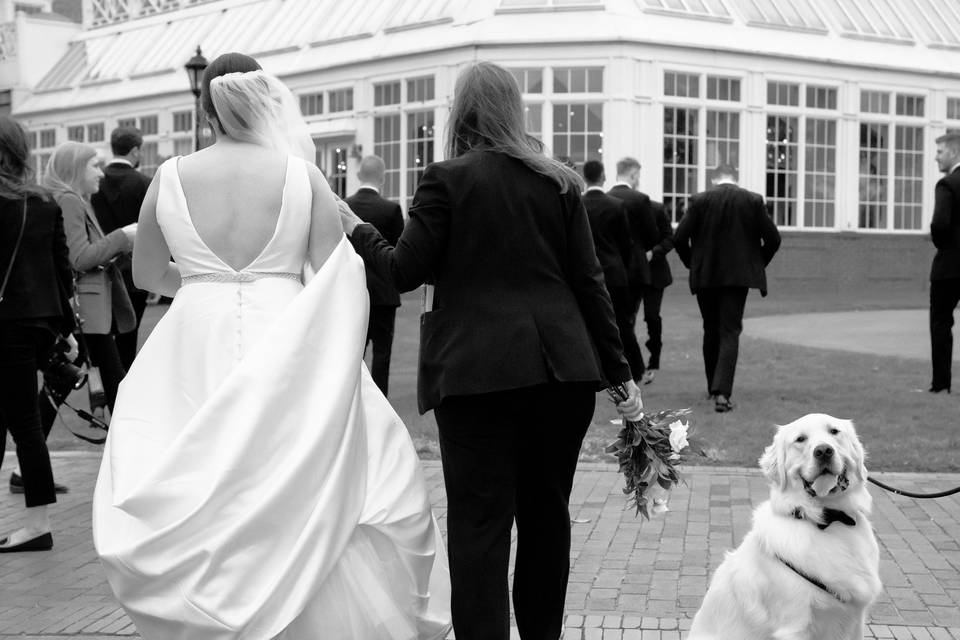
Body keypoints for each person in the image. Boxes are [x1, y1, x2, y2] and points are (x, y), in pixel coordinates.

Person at [91, 52, 450, 639]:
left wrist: (206, 283)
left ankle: (211, 610)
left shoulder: (170, 177)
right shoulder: (301, 176)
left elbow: (149, 275)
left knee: (194, 474)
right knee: (302, 468)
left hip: (193, 340)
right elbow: (331, 271)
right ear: (264, 104)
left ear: (206, 109)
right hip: (287, 330)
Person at [343, 61, 644, 640]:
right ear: (515, 108)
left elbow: (404, 270)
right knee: (546, 519)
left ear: (462, 110)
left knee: (480, 526)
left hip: (475, 377)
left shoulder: (446, 178)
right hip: (561, 376)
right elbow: (590, 284)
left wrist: (355, 226)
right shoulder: (559, 181)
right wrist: (620, 375)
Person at [0, 115, 77, 552]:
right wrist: (65, 329)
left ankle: (38, 525)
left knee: (21, 424)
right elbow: (59, 270)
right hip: (37, 322)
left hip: (5, 322)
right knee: (23, 422)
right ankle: (36, 521)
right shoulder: (43, 201)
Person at [673, 163, 780, 413]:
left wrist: (692, 263)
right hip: (737, 279)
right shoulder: (752, 201)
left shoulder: (700, 201)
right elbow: (773, 239)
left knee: (710, 328)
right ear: (736, 178)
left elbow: (679, 238)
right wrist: (755, 264)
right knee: (729, 330)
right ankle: (722, 392)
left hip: (706, 277)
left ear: (713, 179)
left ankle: (713, 386)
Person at [42, 142, 137, 416]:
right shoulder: (70, 200)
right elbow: (79, 258)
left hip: (84, 311)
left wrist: (119, 247)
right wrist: (122, 237)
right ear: (75, 169)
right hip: (86, 313)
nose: (101, 173)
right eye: (94, 165)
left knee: (63, 383)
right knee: (110, 381)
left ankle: (30, 441)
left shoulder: (73, 199)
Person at [91, 126, 152, 370]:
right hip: (136, 269)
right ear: (135, 150)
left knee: (102, 339)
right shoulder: (145, 183)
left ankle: (105, 387)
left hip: (100, 267)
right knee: (129, 335)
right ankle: (122, 384)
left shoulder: (96, 182)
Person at [582, 159, 647, 383]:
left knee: (588, 324)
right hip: (615, 273)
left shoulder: (579, 204)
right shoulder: (616, 205)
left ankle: (594, 371)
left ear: (584, 177)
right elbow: (626, 243)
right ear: (603, 176)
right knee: (622, 324)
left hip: (587, 273)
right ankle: (636, 370)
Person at [607, 157, 671, 384]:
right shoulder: (628, 201)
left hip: (651, 271)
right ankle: (633, 365)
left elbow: (665, 238)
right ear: (633, 175)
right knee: (628, 319)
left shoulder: (653, 207)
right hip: (631, 271)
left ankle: (652, 359)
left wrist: (653, 252)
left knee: (650, 316)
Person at [345, 155, 404, 396]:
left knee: (352, 354)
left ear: (359, 176)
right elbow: (398, 252)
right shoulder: (391, 210)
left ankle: (352, 400)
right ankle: (380, 404)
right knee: (382, 355)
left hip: (352, 291)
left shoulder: (345, 206)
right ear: (383, 177)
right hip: (384, 295)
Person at [928, 132, 960, 394]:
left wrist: (946, 246)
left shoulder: (947, 185)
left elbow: (939, 225)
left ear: (954, 153)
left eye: (940, 152)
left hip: (949, 266)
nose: (936, 157)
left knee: (941, 323)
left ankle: (941, 385)